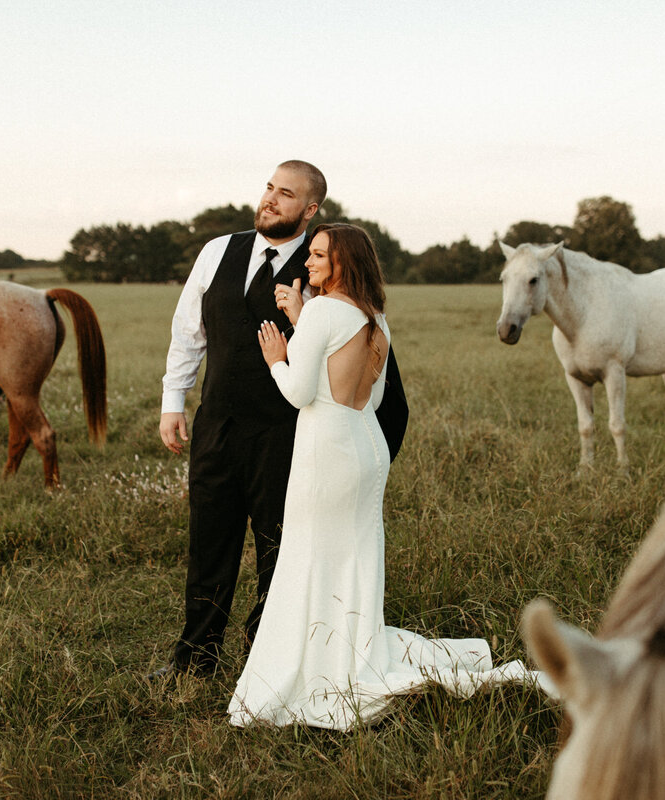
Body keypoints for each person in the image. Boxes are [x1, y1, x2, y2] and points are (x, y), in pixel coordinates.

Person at [228, 223, 544, 729]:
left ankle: (317, 664)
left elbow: (299, 394)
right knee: (353, 554)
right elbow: (370, 399)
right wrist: (303, 317)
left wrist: (277, 359)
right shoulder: (375, 318)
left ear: (341, 263)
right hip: (366, 445)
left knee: (310, 555)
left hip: (326, 450)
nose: (307, 263)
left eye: (317, 255)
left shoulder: (325, 311)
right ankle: (350, 645)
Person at [152, 161, 406, 679]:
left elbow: (374, 377)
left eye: (285, 194)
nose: (270, 199)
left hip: (290, 437)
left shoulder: (328, 273)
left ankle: (267, 658)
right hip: (218, 424)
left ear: (310, 210)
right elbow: (188, 330)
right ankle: (195, 658)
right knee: (209, 541)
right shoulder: (217, 250)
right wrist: (172, 399)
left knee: (281, 549)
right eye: (269, 187)